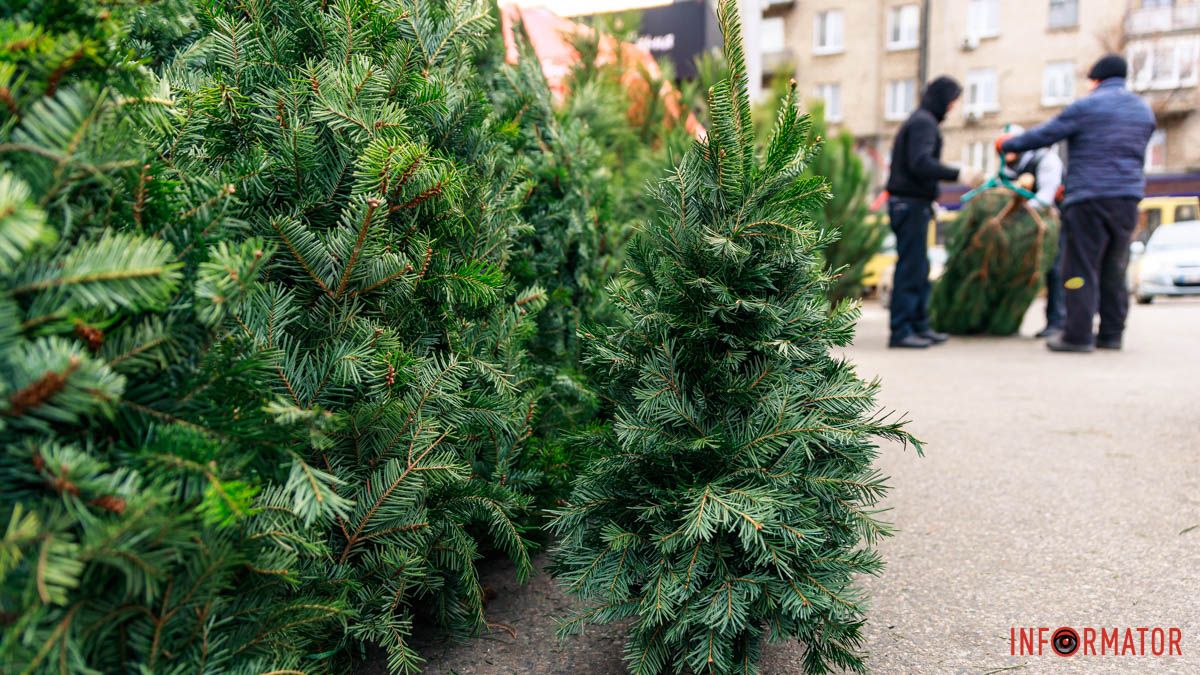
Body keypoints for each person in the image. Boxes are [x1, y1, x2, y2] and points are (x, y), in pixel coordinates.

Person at [998, 55, 1155, 352]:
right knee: (1115, 267)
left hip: (1088, 199)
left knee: (1079, 268)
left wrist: (1010, 144)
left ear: (1096, 79)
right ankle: (1111, 334)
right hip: (1127, 199)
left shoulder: (1088, 106)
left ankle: (1077, 335)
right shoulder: (1142, 110)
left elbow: (1047, 133)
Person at [885, 76, 984, 349]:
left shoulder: (922, 121)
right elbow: (920, 163)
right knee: (910, 267)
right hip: (908, 203)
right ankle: (901, 331)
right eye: (952, 100)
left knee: (919, 266)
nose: (952, 107)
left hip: (913, 203)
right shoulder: (923, 123)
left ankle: (919, 325)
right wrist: (958, 173)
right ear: (941, 97)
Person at [997, 123, 1065, 338]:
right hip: (1023, 225)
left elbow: (1046, 196)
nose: (1007, 156)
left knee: (1055, 268)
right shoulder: (1009, 169)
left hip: (1053, 223)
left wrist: (1022, 211)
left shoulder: (1045, 160)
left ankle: (1058, 320)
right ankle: (1005, 320)